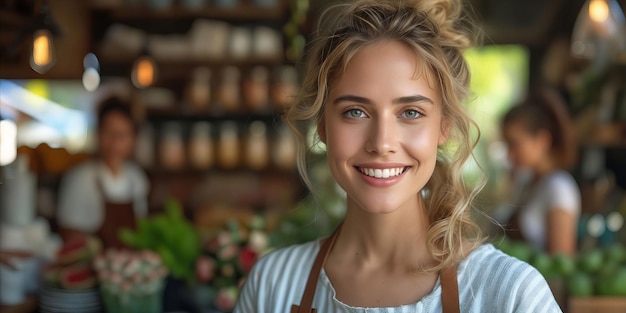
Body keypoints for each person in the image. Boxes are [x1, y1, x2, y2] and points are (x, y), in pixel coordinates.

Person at [234, 0, 561, 312]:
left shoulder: (509, 294)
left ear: (443, 126)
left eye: (410, 113)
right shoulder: (273, 284)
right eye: (356, 112)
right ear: (322, 126)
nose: (382, 143)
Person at [57, 97, 149, 249]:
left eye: (122, 135)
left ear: (133, 139)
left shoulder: (137, 178)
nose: (115, 143)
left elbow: (141, 228)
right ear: (98, 134)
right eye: (109, 133)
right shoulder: (80, 178)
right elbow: (68, 232)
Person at [501, 89, 581, 255]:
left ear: (542, 140)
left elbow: (561, 264)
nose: (509, 154)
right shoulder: (527, 181)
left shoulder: (559, 188)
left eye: (514, 144)